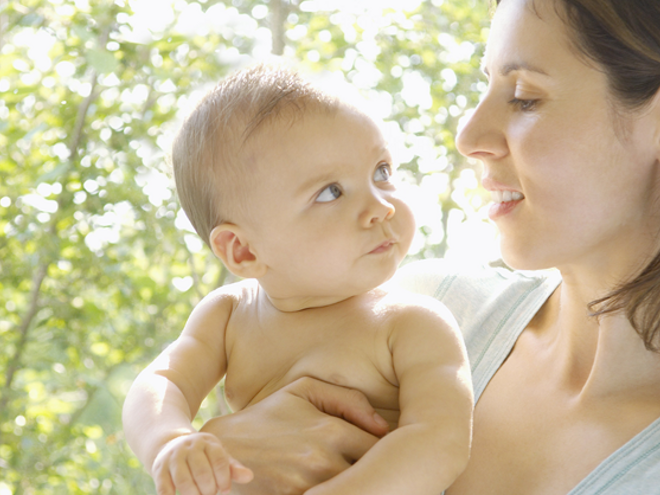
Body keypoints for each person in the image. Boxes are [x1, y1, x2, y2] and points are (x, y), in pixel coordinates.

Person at [193, 0, 660, 494]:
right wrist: (221, 454)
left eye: (524, 97)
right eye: (486, 84)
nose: (468, 135)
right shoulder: (407, 305)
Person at [122, 64, 473, 495]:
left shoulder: (410, 323)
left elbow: (441, 441)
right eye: (331, 191)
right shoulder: (229, 316)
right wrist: (170, 443)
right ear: (244, 251)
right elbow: (161, 383)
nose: (381, 206)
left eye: (381, 171)